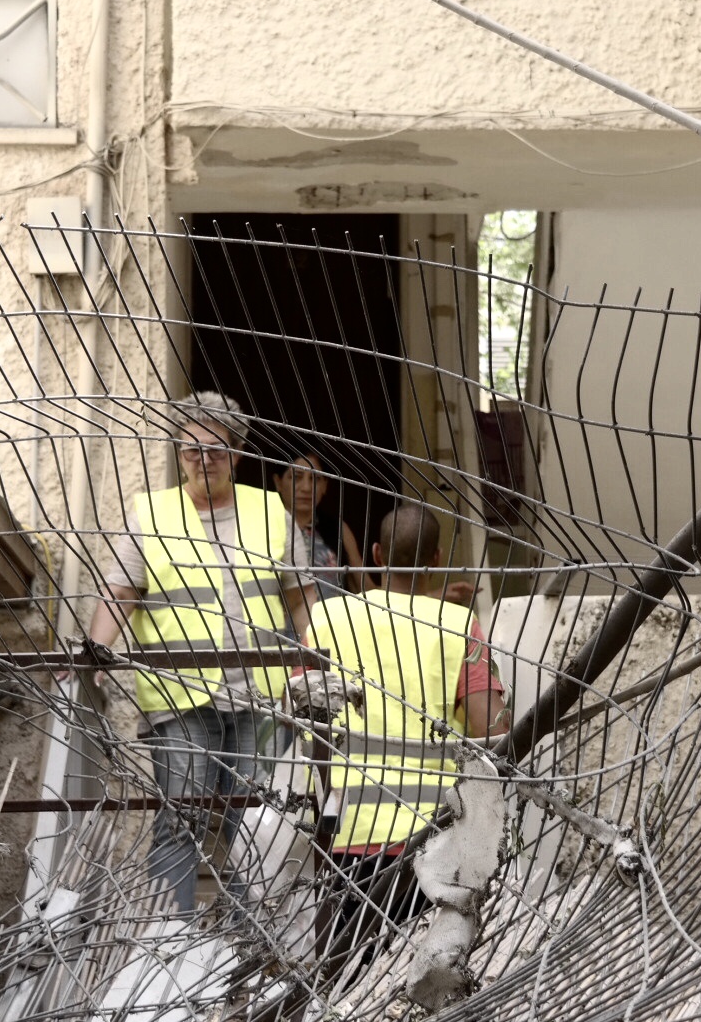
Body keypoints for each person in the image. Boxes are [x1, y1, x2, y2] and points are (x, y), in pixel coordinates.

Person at [86, 391, 315, 914]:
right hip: (180, 697)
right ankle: (172, 935)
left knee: (256, 819)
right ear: (178, 452)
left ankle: (247, 938)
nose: (203, 461)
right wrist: (95, 655)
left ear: (236, 453)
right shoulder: (150, 513)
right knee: (181, 816)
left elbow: (299, 595)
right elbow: (121, 591)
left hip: (259, 695)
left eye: (215, 451)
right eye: (192, 452)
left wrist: (313, 655)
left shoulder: (268, 510)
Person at [301, 504, 508, 963]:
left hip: (350, 828)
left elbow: (300, 711)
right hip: (434, 837)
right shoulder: (456, 626)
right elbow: (491, 727)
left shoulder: (327, 618)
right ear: (435, 558)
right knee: (426, 972)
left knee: (350, 973)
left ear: (375, 554)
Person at [272, 449, 366, 601]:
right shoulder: (265, 527)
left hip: (333, 623)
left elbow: (363, 587)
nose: (306, 488)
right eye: (297, 477)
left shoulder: (338, 530)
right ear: (278, 482)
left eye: (315, 479)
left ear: (325, 485)